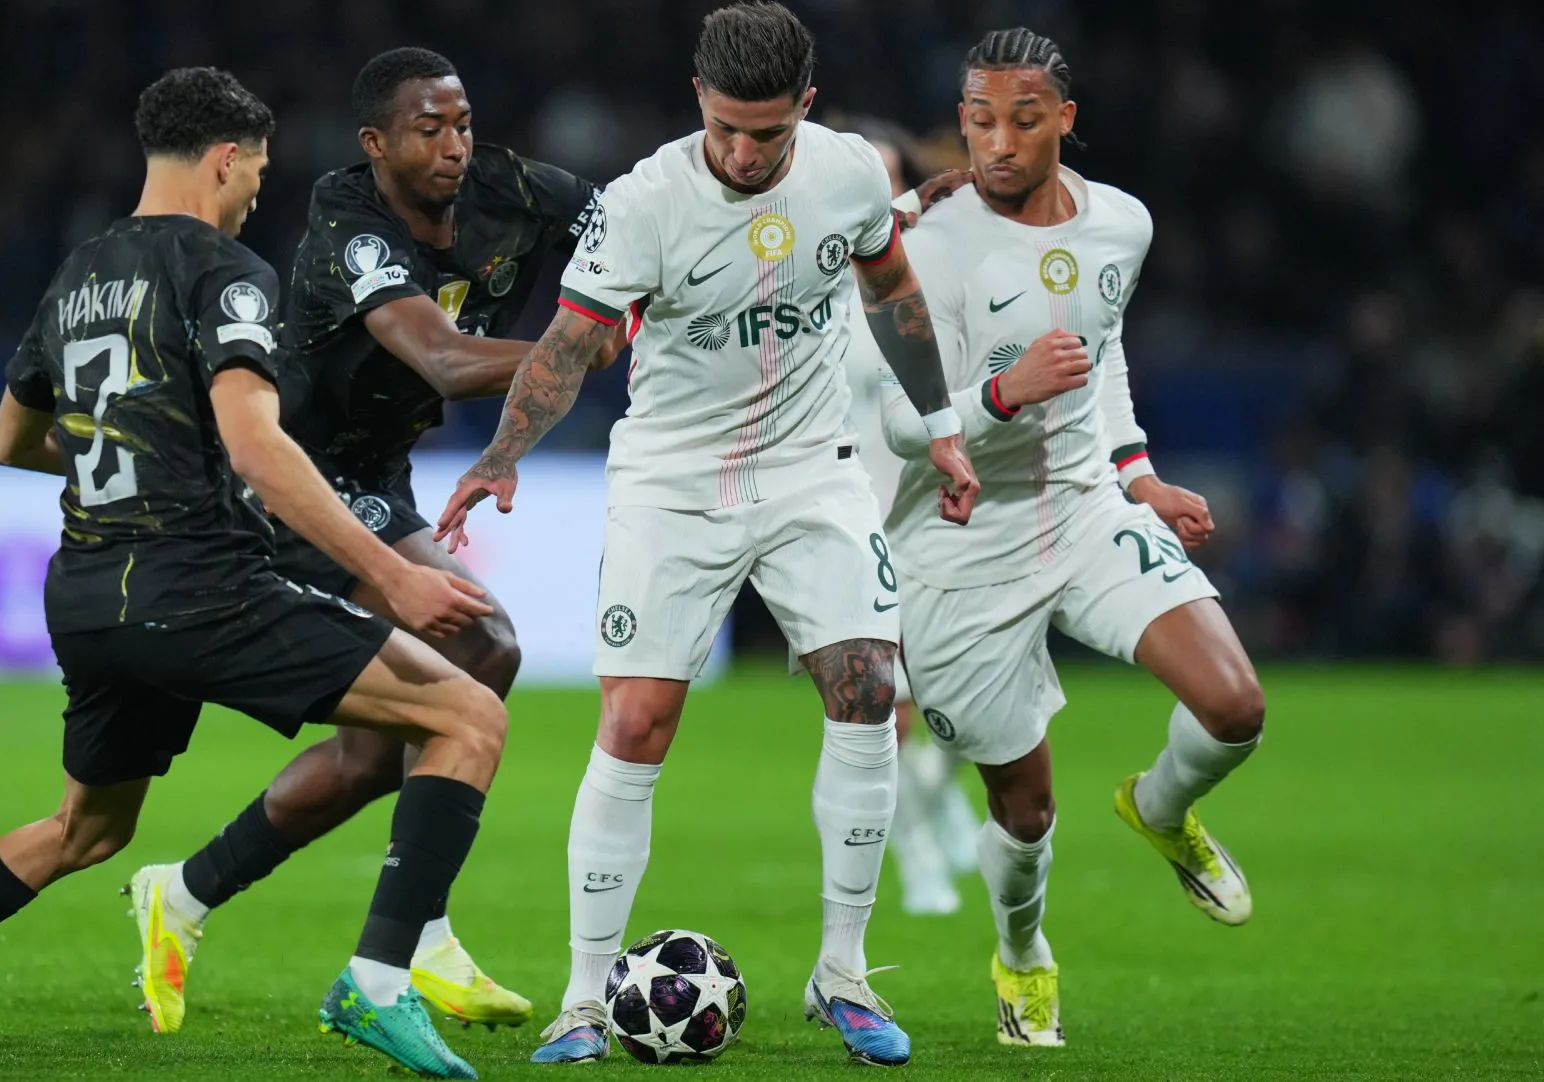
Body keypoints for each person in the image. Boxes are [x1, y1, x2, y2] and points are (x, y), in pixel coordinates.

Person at [0, 67, 502, 1080]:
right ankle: (380, 980)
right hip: (198, 584)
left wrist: (132, 449)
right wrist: (393, 571)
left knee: (85, 827)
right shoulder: (228, 269)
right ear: (226, 158)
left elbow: (11, 438)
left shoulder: (77, 274)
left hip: (85, 592)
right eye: (254, 167)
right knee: (470, 716)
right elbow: (258, 447)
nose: (257, 186)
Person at [436, 2, 979, 1067]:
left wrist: (946, 430)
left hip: (812, 465)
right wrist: (502, 455)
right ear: (699, 100)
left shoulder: (850, 175)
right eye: (727, 127)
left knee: (870, 688)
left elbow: (893, 292)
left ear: (805, 111)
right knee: (637, 721)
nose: (743, 151)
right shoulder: (643, 202)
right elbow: (570, 342)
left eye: (767, 134)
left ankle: (844, 974)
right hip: (672, 476)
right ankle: (585, 998)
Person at [121, 46, 615, 1034]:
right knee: (481, 651)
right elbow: (441, 356)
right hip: (293, 483)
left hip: (381, 480)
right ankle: (415, 940)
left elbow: (636, 220)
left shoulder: (508, 188)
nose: (453, 145)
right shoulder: (347, 229)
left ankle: (183, 892)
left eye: (463, 121)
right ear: (375, 143)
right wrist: (590, 344)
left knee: (374, 753)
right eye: (427, 129)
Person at [872, 29, 1266, 1047]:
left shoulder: (1122, 225)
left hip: (1086, 506)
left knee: (1233, 705)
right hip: (961, 541)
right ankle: (1022, 952)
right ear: (960, 119)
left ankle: (1162, 808)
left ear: (1066, 122)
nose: (998, 141)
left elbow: (1101, 351)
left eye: (1024, 118)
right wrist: (1004, 393)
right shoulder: (924, 247)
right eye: (979, 118)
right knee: (1028, 810)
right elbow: (898, 423)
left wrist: (1138, 473)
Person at [824, 113, 983, 916]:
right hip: (846, 524)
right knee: (885, 709)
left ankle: (942, 799)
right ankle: (918, 853)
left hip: (934, 514)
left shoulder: (930, 289)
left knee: (968, 705)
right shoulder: (807, 288)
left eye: (888, 181)